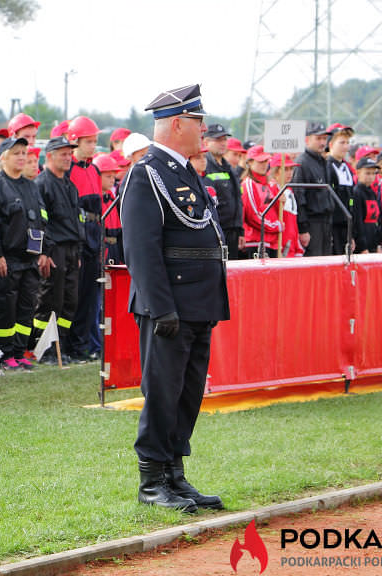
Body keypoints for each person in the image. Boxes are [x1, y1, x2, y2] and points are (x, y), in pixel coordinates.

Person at [120, 84, 228, 513]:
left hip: (198, 301)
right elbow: (141, 249)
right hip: (169, 306)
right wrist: (161, 305)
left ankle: (174, 474)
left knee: (188, 393)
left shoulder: (184, 171)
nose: (204, 129)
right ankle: (151, 482)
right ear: (178, 124)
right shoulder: (147, 172)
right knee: (163, 392)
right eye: (198, 121)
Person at [0, 137, 50, 370]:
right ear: (3, 157)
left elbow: (42, 220)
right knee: (5, 308)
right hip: (7, 259)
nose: (21, 157)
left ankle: (20, 352)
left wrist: (43, 251)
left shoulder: (31, 186)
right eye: (16, 153)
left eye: (24, 152)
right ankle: (5, 352)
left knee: (25, 308)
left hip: (30, 260)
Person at [31, 136, 82, 365]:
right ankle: (43, 348)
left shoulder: (69, 184)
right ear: (49, 155)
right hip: (54, 250)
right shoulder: (42, 184)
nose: (68, 158)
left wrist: (78, 252)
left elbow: (75, 220)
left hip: (71, 249)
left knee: (69, 301)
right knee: (50, 300)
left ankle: (61, 345)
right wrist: (43, 252)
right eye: (63, 153)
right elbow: (41, 223)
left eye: (70, 154)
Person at [67, 115, 104, 361]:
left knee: (91, 295)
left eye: (94, 141)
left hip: (95, 233)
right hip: (77, 234)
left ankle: (84, 345)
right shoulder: (68, 169)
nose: (92, 146)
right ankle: (72, 345)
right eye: (88, 141)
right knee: (75, 294)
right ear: (75, 141)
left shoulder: (95, 169)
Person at [203, 123, 243, 259]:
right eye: (218, 140)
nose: (223, 143)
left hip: (233, 232)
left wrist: (240, 230)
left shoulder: (229, 167)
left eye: (224, 139)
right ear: (206, 141)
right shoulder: (204, 166)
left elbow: (238, 199)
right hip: (216, 231)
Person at [293, 122, 332, 255]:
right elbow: (299, 196)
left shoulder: (323, 161)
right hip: (312, 223)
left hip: (325, 222)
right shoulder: (302, 162)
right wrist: (303, 229)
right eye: (318, 138)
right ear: (307, 139)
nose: (322, 142)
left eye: (324, 139)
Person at [240, 145, 282, 257]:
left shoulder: (270, 183)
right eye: (260, 161)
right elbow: (253, 216)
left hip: (271, 241)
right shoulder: (248, 184)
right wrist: (275, 226)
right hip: (256, 242)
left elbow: (276, 212)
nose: (264, 165)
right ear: (250, 163)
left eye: (266, 161)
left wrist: (280, 201)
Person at [326, 125, 355, 255]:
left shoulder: (346, 167)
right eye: (342, 142)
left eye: (348, 142)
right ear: (331, 144)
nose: (346, 146)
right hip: (333, 226)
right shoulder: (327, 166)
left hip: (346, 225)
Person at [268, 153, 303, 257]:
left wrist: (297, 247)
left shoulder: (289, 190)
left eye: (291, 169)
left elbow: (292, 221)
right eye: (285, 169)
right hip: (280, 247)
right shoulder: (271, 189)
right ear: (276, 171)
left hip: (291, 246)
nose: (290, 173)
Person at [93, 153, 124, 264]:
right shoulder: (94, 201)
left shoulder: (112, 198)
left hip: (114, 249)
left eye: (113, 176)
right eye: (108, 176)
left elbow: (120, 232)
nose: (112, 180)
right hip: (101, 250)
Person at [352, 157, 382, 253]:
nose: (371, 176)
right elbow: (357, 221)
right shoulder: (356, 192)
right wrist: (362, 246)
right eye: (367, 173)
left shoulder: (372, 193)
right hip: (363, 244)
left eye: (374, 173)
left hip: (373, 241)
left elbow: (377, 220)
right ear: (358, 173)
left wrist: (378, 243)